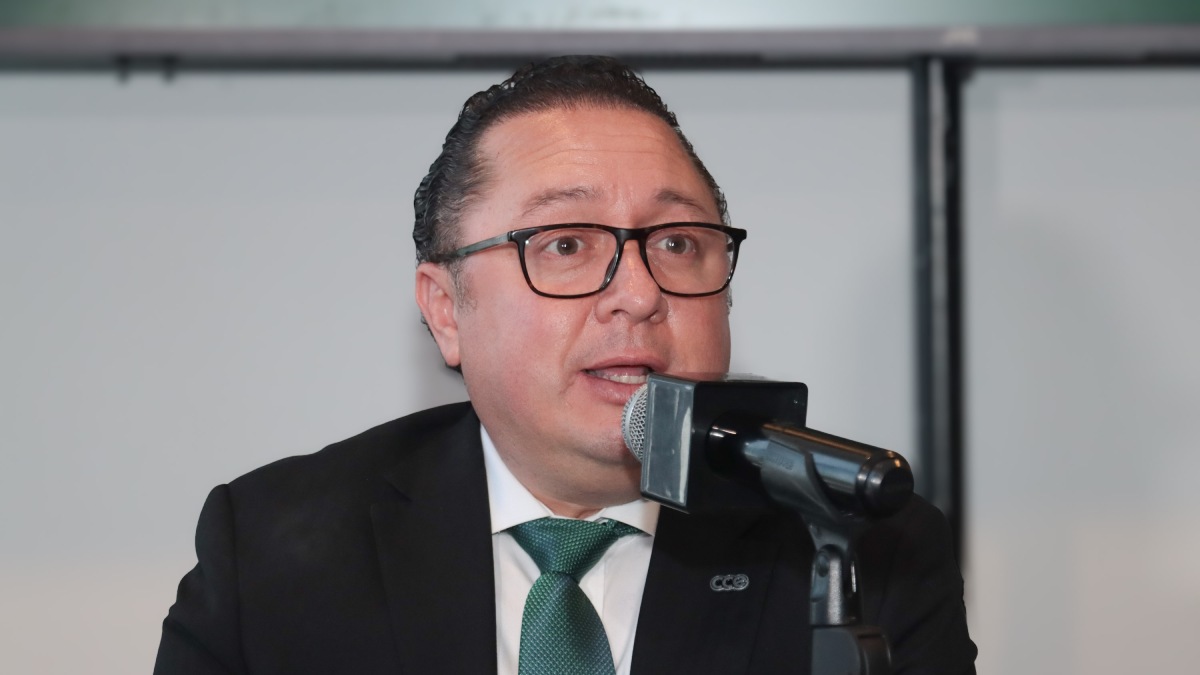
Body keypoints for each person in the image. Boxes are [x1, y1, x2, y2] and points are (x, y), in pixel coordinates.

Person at [154, 55, 976, 675]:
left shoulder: (861, 548)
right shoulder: (274, 551)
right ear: (445, 309)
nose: (639, 294)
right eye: (567, 244)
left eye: (676, 243)